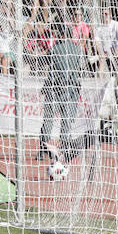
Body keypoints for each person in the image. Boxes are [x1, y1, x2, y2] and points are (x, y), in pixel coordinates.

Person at [38, 23, 83, 161]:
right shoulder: (77, 50)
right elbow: (81, 67)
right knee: (67, 122)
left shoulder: (55, 49)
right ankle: (63, 150)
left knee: (48, 121)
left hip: (54, 88)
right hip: (71, 90)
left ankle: (42, 151)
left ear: (62, 35)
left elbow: (41, 62)